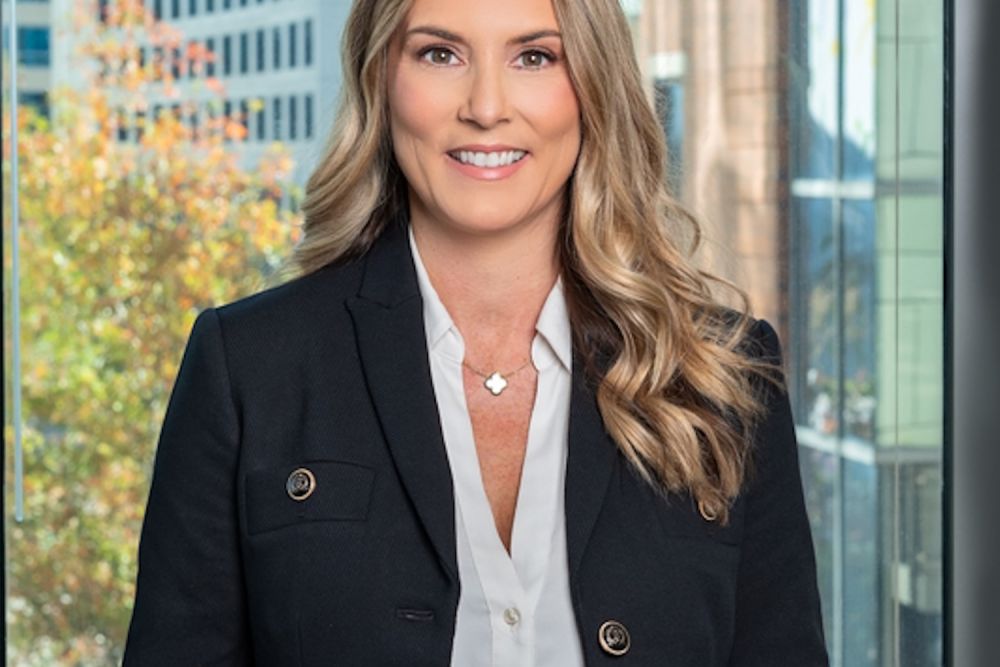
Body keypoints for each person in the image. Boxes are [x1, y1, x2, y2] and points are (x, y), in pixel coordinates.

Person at [123, 0, 829, 664]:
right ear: (381, 80)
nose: (486, 108)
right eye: (439, 54)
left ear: (594, 85)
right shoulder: (248, 367)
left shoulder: (721, 375)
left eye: (534, 58)